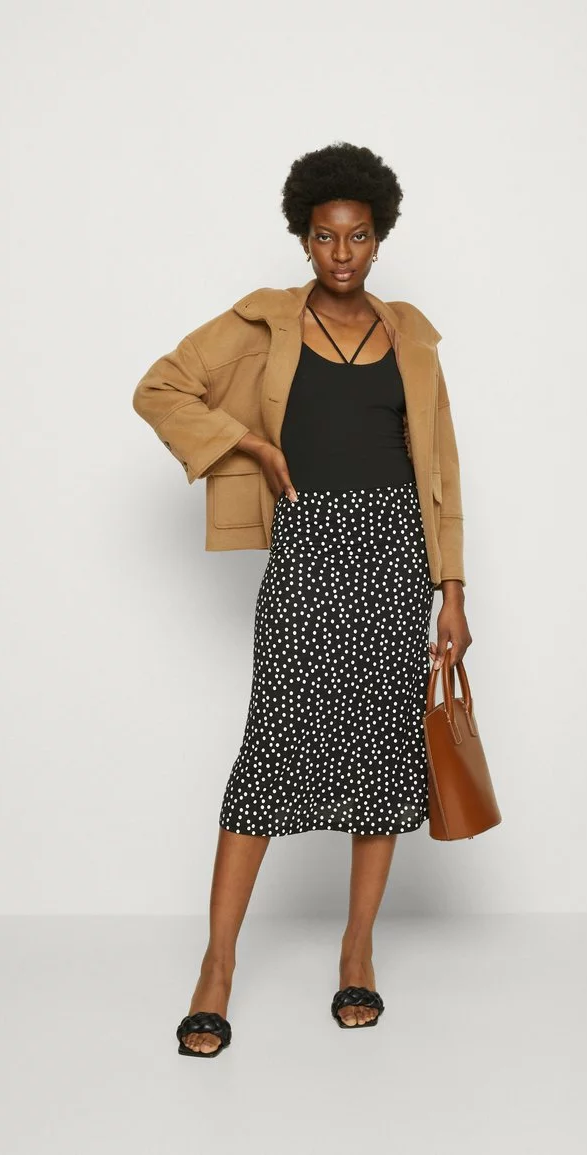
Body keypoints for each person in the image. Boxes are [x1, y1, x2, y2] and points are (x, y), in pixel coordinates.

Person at [132, 141, 472, 1058]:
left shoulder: (414, 337)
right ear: (303, 237)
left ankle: (357, 951)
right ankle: (217, 966)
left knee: (383, 756)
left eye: (358, 236)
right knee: (270, 752)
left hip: (395, 557)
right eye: (325, 236)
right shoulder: (263, 322)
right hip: (309, 550)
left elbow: (440, 471)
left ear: (380, 237)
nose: (342, 253)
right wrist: (246, 443)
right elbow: (159, 387)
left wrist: (452, 589)